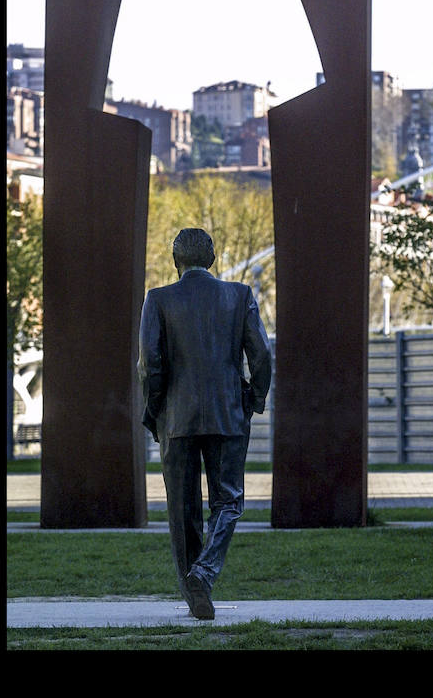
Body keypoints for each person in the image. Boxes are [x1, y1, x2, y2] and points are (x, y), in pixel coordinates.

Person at [137, 228, 272, 619]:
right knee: (228, 501)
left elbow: (150, 363)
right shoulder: (239, 295)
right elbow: (261, 355)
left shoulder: (158, 299)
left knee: (183, 509)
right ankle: (204, 576)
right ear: (211, 259)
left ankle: (195, 584)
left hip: (176, 417)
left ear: (175, 260)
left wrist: (156, 410)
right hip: (228, 413)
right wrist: (251, 399)